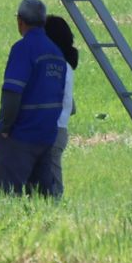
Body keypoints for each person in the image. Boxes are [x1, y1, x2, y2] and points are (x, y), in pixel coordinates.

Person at [0, 0, 69, 197]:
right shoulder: (56, 53)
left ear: (20, 21)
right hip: (46, 136)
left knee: (6, 196)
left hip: (20, 136)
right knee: (40, 199)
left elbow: (12, 92)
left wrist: (5, 127)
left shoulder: (23, 49)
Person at [39, 14, 79, 198]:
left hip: (51, 130)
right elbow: (71, 108)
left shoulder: (55, 67)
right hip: (59, 130)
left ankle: (54, 214)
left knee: (52, 186)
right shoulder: (67, 68)